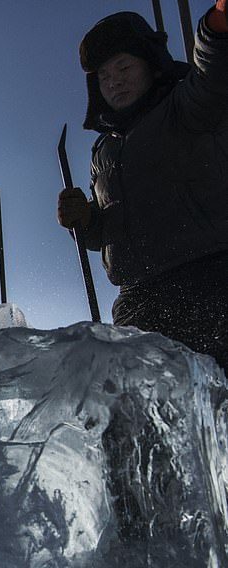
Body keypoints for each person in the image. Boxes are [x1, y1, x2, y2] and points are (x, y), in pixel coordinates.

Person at [57, 5, 228, 370]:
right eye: (103, 76)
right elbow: (110, 232)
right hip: (139, 302)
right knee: (144, 420)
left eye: (124, 67)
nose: (114, 81)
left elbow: (215, 70)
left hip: (210, 283)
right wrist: (87, 221)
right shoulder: (103, 151)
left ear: (151, 64)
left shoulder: (186, 106)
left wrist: (217, 25)